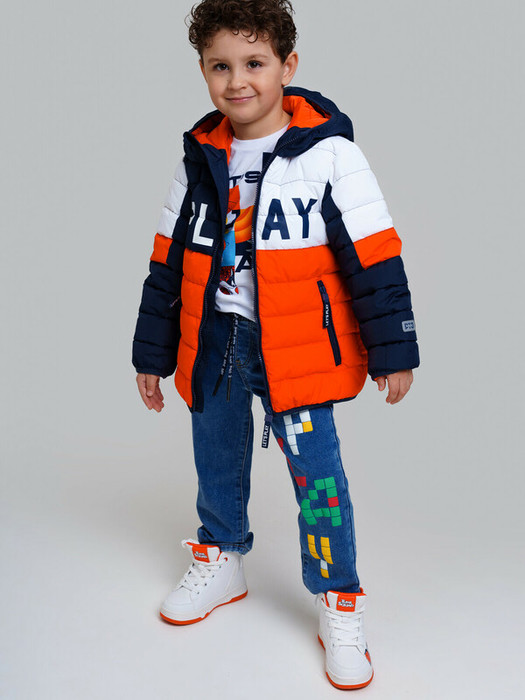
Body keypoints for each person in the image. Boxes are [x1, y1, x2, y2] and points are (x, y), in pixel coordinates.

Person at [132, 0, 419, 690]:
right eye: (220, 66)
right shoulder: (200, 158)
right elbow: (167, 259)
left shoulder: (330, 154)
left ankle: (338, 599)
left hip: (298, 348)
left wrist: (393, 348)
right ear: (204, 71)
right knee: (215, 457)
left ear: (287, 66)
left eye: (254, 63)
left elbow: (375, 256)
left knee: (319, 481)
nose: (237, 81)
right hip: (217, 339)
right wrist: (152, 352)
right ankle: (221, 555)